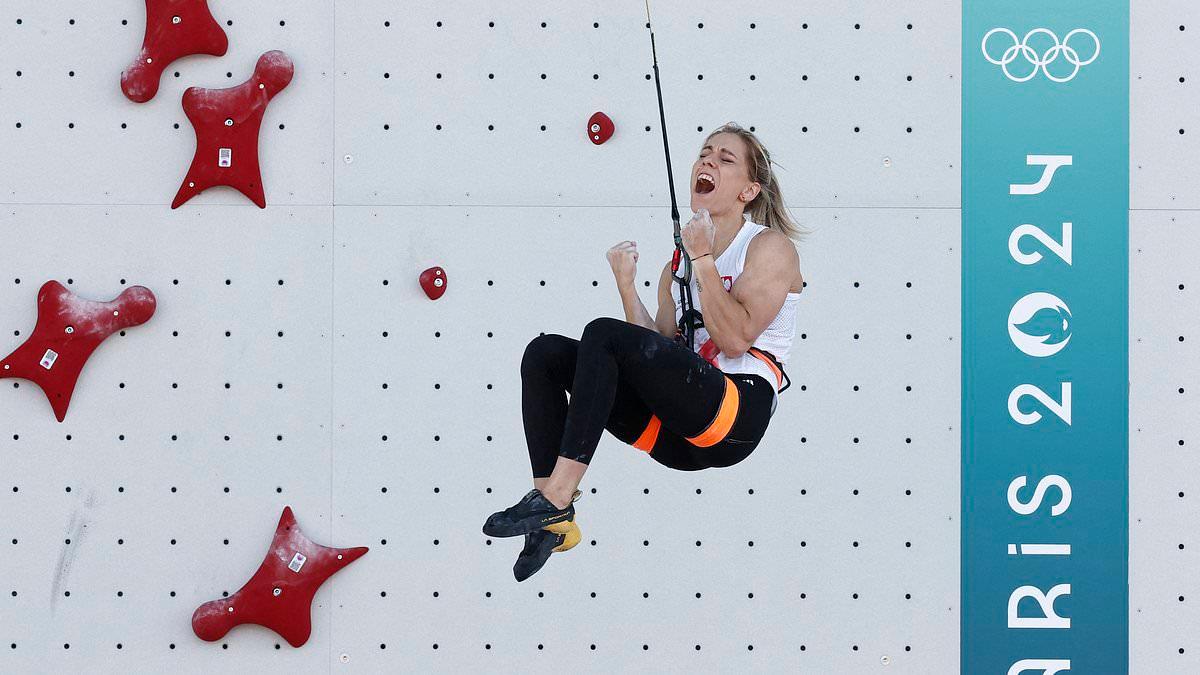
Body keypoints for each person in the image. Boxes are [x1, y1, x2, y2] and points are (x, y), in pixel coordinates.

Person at [482, 122, 809, 581]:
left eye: (725, 159)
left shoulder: (768, 249)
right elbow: (657, 356)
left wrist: (702, 261)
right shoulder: (676, 267)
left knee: (603, 333)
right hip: (678, 438)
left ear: (749, 190)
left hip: (736, 416)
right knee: (546, 355)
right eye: (705, 153)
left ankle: (556, 498)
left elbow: (736, 340)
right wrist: (627, 288)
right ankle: (550, 520)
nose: (708, 161)